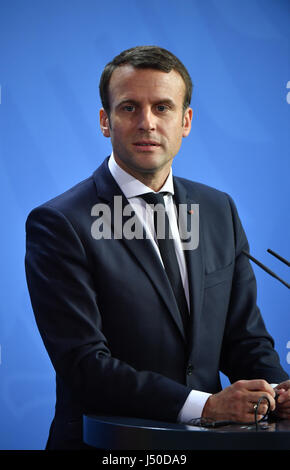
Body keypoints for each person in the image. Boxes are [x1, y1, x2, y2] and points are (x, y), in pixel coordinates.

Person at [25, 46, 290, 450]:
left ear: (185, 121)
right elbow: (86, 366)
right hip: (108, 446)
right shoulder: (60, 223)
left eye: (162, 107)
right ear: (105, 121)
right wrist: (208, 405)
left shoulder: (218, 209)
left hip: (211, 446)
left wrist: (277, 392)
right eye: (130, 107)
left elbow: (244, 338)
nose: (146, 122)